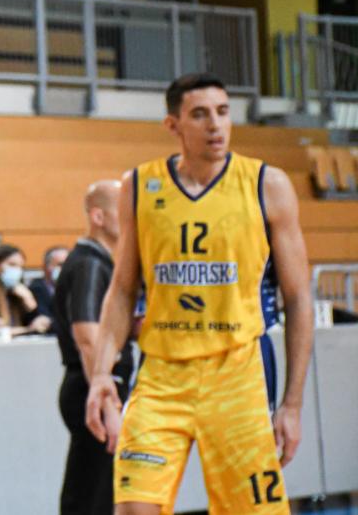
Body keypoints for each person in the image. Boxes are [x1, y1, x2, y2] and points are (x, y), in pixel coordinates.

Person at [85, 73, 313, 514]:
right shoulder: (139, 185)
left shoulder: (267, 185)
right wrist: (101, 374)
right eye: (200, 115)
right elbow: (123, 288)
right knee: (133, 508)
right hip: (161, 376)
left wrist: (292, 403)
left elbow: (299, 297)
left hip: (237, 376)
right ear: (173, 125)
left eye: (223, 112)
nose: (216, 125)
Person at [54, 181, 134, 515]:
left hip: (97, 387)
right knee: (91, 498)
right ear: (98, 216)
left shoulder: (103, 262)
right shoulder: (89, 264)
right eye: (122, 211)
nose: (130, 220)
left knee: (95, 491)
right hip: (92, 388)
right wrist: (107, 403)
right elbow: (88, 338)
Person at [27, 245, 68, 334]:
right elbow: (43, 320)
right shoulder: (36, 288)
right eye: (60, 265)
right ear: (45, 266)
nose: (65, 269)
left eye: (67, 265)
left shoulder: (74, 289)